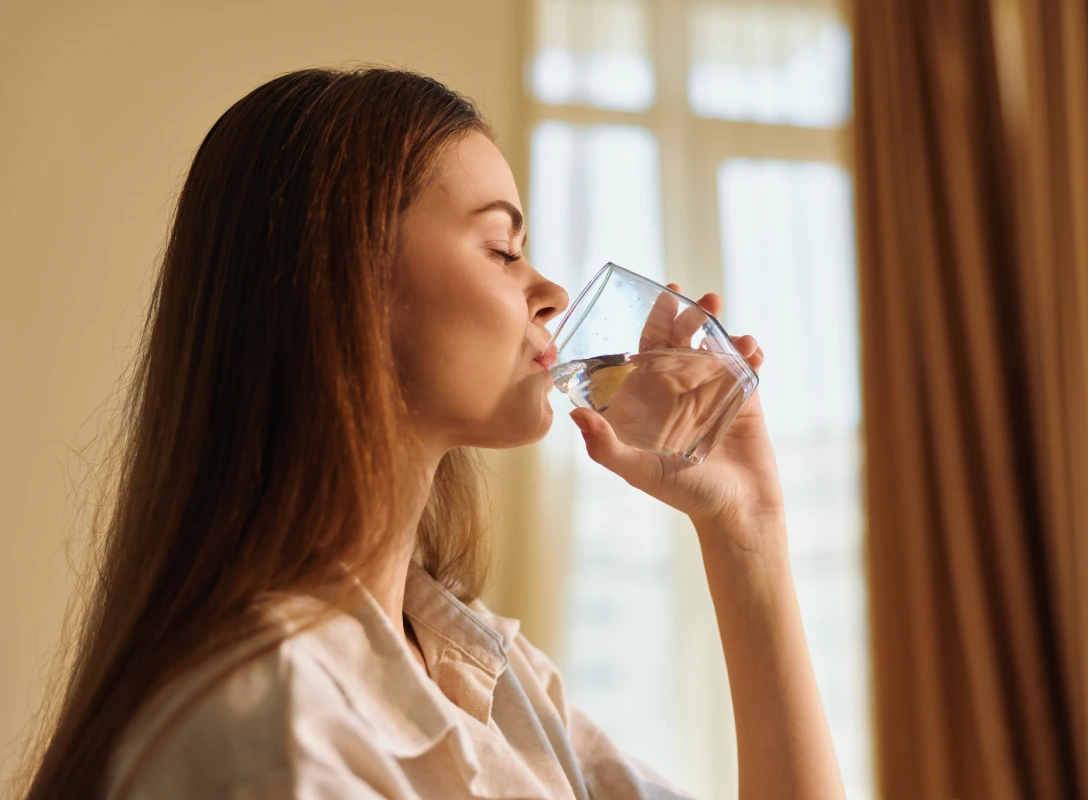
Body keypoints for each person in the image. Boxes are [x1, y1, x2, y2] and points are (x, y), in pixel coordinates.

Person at [16, 67, 845, 799]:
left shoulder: (494, 679)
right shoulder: (272, 735)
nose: (552, 289)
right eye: (502, 247)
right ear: (344, 283)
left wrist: (745, 533)